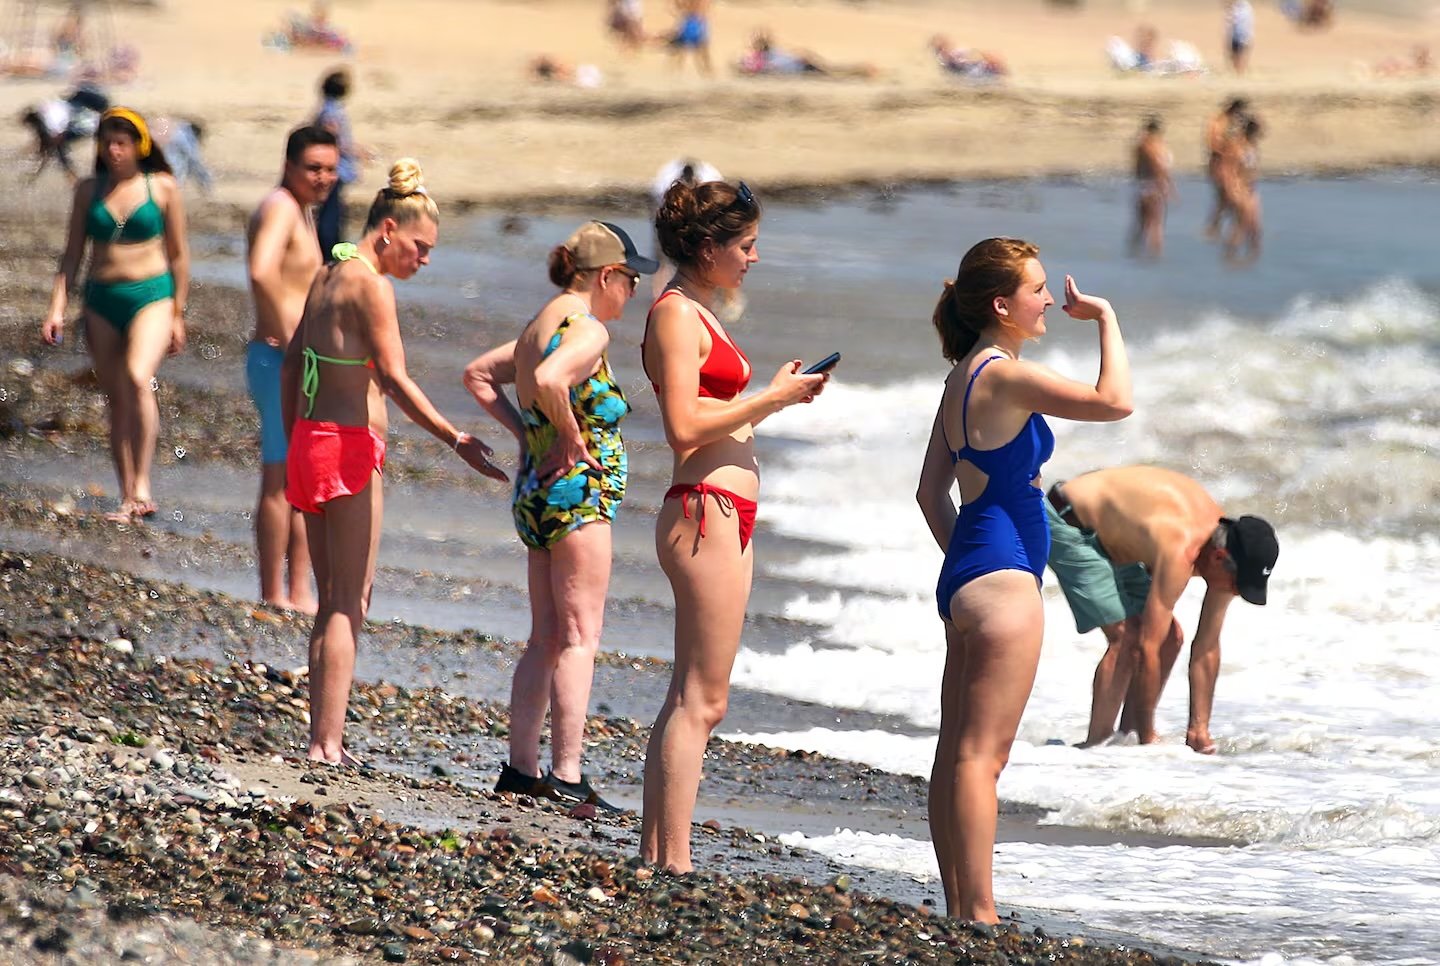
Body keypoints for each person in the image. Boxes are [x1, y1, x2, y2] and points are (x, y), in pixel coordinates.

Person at [914, 238, 1132, 923]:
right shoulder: (1003, 375)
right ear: (1002, 305)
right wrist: (1106, 319)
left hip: (972, 577)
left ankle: (961, 907)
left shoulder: (962, 378)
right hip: (1004, 584)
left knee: (955, 754)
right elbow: (1114, 401)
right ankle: (979, 914)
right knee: (982, 760)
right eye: (1037, 290)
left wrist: (971, 564)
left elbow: (929, 495)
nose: (1048, 300)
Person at [280, 159, 508, 764]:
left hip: (309, 439)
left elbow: (289, 366)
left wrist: (291, 444)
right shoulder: (370, 285)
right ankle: (327, 744)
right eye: (420, 246)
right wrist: (455, 438)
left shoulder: (328, 273)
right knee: (348, 602)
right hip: (350, 448)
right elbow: (397, 380)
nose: (424, 260)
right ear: (387, 229)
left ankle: (318, 737)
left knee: (331, 598)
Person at [639, 180, 829, 872]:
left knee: (689, 693)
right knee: (704, 699)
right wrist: (771, 395)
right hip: (703, 510)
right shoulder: (675, 316)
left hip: (718, 511)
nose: (753, 258)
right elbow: (684, 430)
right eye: (745, 246)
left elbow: (719, 414)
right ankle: (675, 862)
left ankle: (657, 853)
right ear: (709, 246)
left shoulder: (696, 311)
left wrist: (774, 398)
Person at [464, 222, 658, 810]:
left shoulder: (537, 326)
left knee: (546, 635)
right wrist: (569, 438)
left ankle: (521, 770)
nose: (633, 291)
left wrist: (530, 434)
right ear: (606, 276)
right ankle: (568, 774)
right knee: (579, 636)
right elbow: (551, 379)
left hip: (536, 491)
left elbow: (476, 374)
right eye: (630, 279)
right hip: (577, 491)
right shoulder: (588, 328)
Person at [1044, 466, 1279, 755]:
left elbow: (1206, 646)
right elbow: (1146, 647)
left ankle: (1125, 738)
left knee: (1171, 638)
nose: (1234, 593)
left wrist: (1199, 730)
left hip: (1119, 538)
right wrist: (1150, 739)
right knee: (1126, 636)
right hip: (1069, 519)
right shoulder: (1181, 548)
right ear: (1219, 558)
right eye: (1236, 586)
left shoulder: (1224, 552)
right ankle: (1096, 746)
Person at [41, 107, 190, 523]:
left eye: (122, 143)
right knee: (115, 397)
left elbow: (178, 256)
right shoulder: (89, 190)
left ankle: (143, 484)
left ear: (139, 146)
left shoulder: (161, 187)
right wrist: (57, 309)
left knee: (139, 378)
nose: (114, 150)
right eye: (107, 142)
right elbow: (72, 256)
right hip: (101, 299)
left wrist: (178, 312)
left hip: (152, 295)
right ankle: (126, 495)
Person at [245, 125, 339, 613]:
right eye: (313, 168)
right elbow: (262, 270)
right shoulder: (281, 206)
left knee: (300, 476)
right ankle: (274, 591)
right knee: (281, 477)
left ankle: (297, 590)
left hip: (293, 360)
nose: (323, 177)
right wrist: (289, 337)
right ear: (289, 166)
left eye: (330, 167)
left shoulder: (300, 211)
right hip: (280, 360)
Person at [314, 68, 359, 260]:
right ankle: (331, 252)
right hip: (335, 169)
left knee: (333, 212)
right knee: (331, 214)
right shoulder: (332, 112)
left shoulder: (328, 108)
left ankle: (332, 250)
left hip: (336, 167)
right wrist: (356, 151)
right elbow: (331, 137)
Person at [1220, 117, 1263, 264]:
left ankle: (1254, 260)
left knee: (1256, 226)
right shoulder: (1237, 146)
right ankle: (1229, 257)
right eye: (1256, 132)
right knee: (1240, 225)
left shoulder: (1253, 145)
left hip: (1251, 189)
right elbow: (1227, 170)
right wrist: (1232, 190)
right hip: (1240, 189)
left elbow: (1252, 167)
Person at [1130, 117, 1174, 259]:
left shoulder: (1141, 145)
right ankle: (1155, 257)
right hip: (1153, 186)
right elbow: (1159, 168)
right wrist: (1168, 186)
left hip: (1143, 185)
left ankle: (1134, 255)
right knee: (1155, 224)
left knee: (1142, 224)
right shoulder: (1150, 146)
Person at [1204, 98, 1248, 240]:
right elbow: (1213, 144)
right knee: (1230, 198)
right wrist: (1228, 152)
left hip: (1231, 165)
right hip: (1220, 165)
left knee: (1224, 199)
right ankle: (1232, 231)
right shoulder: (1218, 122)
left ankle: (1214, 227)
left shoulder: (1235, 122)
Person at [666, 0, 712, 75]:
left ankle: (674, 73)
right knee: (702, 53)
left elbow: (682, 6)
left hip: (692, 21)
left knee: (683, 51)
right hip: (698, 22)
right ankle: (708, 75)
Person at [1226, 0, 1254, 74]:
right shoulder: (1235, 8)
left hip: (1243, 35)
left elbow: (1248, 23)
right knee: (1233, 55)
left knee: (1241, 55)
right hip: (1235, 35)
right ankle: (1238, 71)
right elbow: (1230, 21)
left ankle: (1241, 72)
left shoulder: (1246, 9)